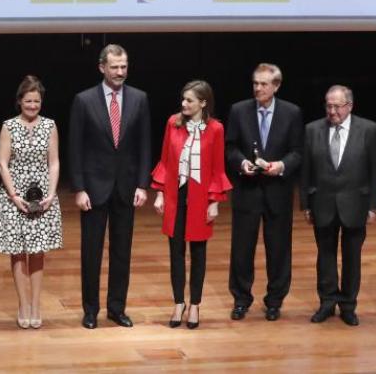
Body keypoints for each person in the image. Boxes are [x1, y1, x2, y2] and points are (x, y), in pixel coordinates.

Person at [69, 44, 151, 329]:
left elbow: (144, 144)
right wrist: (79, 188)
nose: (119, 72)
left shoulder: (139, 98)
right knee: (91, 253)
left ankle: (117, 308)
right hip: (93, 189)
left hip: (126, 188)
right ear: (102, 67)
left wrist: (143, 184)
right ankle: (90, 310)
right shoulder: (83, 100)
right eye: (114, 67)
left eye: (123, 66)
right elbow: (75, 147)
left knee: (122, 252)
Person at [226, 63, 303, 321]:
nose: (258, 88)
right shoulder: (239, 110)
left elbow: (297, 152)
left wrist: (281, 166)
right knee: (242, 249)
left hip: (277, 191)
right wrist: (241, 163)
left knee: (279, 249)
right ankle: (241, 299)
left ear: (276, 86)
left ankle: (274, 301)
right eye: (255, 83)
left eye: (264, 84)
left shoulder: (292, 113)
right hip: (247, 191)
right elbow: (230, 147)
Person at [152, 81, 231, 329]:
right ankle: (179, 302)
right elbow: (165, 161)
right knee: (176, 251)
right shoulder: (173, 123)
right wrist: (160, 194)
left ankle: (195, 304)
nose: (184, 104)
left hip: (200, 197)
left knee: (198, 252)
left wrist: (214, 201)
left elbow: (217, 168)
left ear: (203, 103)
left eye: (189, 100)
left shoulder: (216, 129)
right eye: (183, 99)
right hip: (176, 195)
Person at [300, 85, 376, 326]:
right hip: (322, 202)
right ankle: (327, 302)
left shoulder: (369, 129)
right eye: (329, 106)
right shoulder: (312, 129)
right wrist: (305, 204)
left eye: (337, 106)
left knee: (352, 257)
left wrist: (373, 206)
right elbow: (306, 171)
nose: (332, 111)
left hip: (356, 203)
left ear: (350, 106)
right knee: (325, 256)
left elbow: (375, 170)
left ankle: (348, 305)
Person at [0, 75, 63, 329]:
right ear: (20, 101)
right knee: (18, 251)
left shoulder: (50, 125)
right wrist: (14, 195)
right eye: (28, 101)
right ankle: (23, 305)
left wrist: (51, 193)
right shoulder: (8, 126)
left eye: (36, 101)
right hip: (14, 197)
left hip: (43, 196)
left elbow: (54, 162)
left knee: (38, 251)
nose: (32, 105)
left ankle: (36, 305)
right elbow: (2, 163)